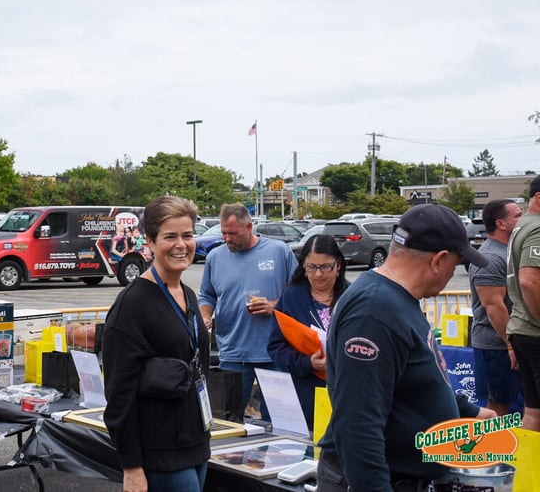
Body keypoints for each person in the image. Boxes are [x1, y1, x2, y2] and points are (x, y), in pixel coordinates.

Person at [317, 203, 497, 492]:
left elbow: (411, 379)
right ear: (439, 260)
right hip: (378, 479)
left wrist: (467, 411)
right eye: (457, 263)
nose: (454, 273)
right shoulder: (374, 311)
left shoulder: (395, 299)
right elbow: (358, 426)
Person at [103, 195, 210, 492]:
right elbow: (118, 392)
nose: (181, 244)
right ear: (149, 242)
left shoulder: (187, 293)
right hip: (159, 452)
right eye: (170, 236)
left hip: (195, 441)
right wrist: (131, 467)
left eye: (187, 235)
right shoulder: (132, 305)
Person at [198, 203, 298, 422]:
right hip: (232, 353)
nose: (227, 239)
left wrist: (273, 306)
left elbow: (298, 294)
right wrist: (205, 314)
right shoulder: (215, 257)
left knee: (282, 421)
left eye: (233, 233)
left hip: (275, 352)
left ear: (249, 227)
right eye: (223, 233)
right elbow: (207, 295)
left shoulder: (278, 251)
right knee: (226, 421)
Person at [267, 234, 349, 430]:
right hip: (306, 395)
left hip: (346, 394)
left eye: (325, 267)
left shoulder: (352, 297)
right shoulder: (292, 297)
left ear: (338, 266)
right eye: (311, 267)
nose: (318, 274)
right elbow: (276, 347)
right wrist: (308, 363)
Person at [469, 199, 523, 416]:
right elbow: (493, 306)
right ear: (501, 224)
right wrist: (511, 345)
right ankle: (490, 449)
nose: (523, 219)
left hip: (512, 342)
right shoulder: (491, 257)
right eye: (518, 215)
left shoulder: (510, 251)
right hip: (497, 345)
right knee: (498, 406)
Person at [507, 174, 540, 431]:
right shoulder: (537, 228)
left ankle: (527, 472)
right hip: (534, 328)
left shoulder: (521, 225)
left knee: (532, 412)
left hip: (521, 329)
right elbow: (530, 281)